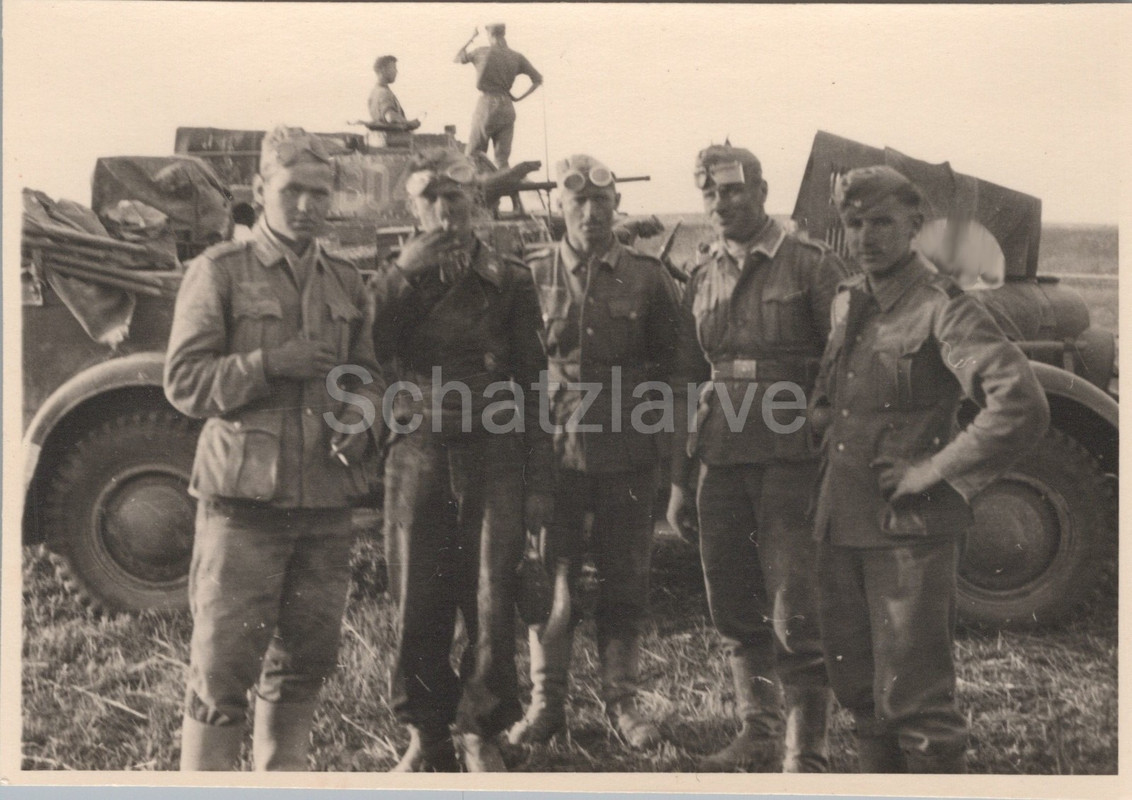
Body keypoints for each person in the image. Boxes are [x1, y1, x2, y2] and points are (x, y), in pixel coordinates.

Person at [810, 166, 1049, 773]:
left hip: (906, 532)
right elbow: (830, 400)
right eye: (854, 223)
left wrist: (933, 470)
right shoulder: (848, 300)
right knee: (859, 692)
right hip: (841, 525)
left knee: (917, 704)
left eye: (882, 222)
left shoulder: (941, 308)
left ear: (916, 227)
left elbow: (1018, 401)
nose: (865, 236)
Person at [165, 126, 385, 771]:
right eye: (293, 191)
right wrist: (270, 363)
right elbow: (184, 384)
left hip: (324, 504)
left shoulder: (346, 278)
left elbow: (369, 375)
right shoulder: (219, 272)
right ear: (260, 190)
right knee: (222, 668)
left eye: (321, 193)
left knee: (305, 663)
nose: (308, 206)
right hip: (243, 505)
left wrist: (362, 418)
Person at [368, 148, 554, 772]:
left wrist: (536, 479)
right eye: (431, 199)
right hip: (418, 452)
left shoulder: (511, 278)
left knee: (491, 600)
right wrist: (399, 276)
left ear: (476, 204)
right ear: (412, 207)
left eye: (457, 198)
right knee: (416, 597)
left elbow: (532, 382)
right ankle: (427, 733)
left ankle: (483, 730)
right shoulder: (389, 279)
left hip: (494, 452)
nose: (445, 212)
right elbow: (365, 352)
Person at [666, 144, 846, 772]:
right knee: (735, 605)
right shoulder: (704, 273)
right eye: (709, 193)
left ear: (763, 191)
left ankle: (807, 750)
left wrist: (825, 432)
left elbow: (844, 361)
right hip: (721, 454)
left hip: (792, 460)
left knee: (796, 610)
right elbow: (690, 383)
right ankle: (759, 731)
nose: (721, 204)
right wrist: (682, 483)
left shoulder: (810, 265)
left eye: (733, 190)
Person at [509, 154, 682, 750]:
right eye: (578, 202)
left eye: (602, 203)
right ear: (560, 208)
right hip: (553, 458)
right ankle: (546, 703)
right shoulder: (532, 274)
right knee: (549, 586)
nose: (591, 213)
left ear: (615, 209)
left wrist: (663, 447)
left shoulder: (648, 276)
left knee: (624, 582)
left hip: (627, 455)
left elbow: (678, 370)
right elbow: (517, 372)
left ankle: (622, 702)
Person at [454, 23, 543, 170]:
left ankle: (479, 191)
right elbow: (538, 79)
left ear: (490, 35)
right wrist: (518, 98)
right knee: (502, 160)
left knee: (474, 154)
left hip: (487, 105)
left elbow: (457, 58)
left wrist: (472, 37)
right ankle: (508, 189)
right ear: (503, 34)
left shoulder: (482, 52)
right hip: (507, 107)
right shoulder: (516, 56)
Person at [368, 55, 420, 131]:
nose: (396, 71)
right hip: (392, 140)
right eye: (393, 68)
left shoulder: (374, 93)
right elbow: (390, 116)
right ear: (383, 70)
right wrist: (409, 123)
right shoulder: (384, 92)